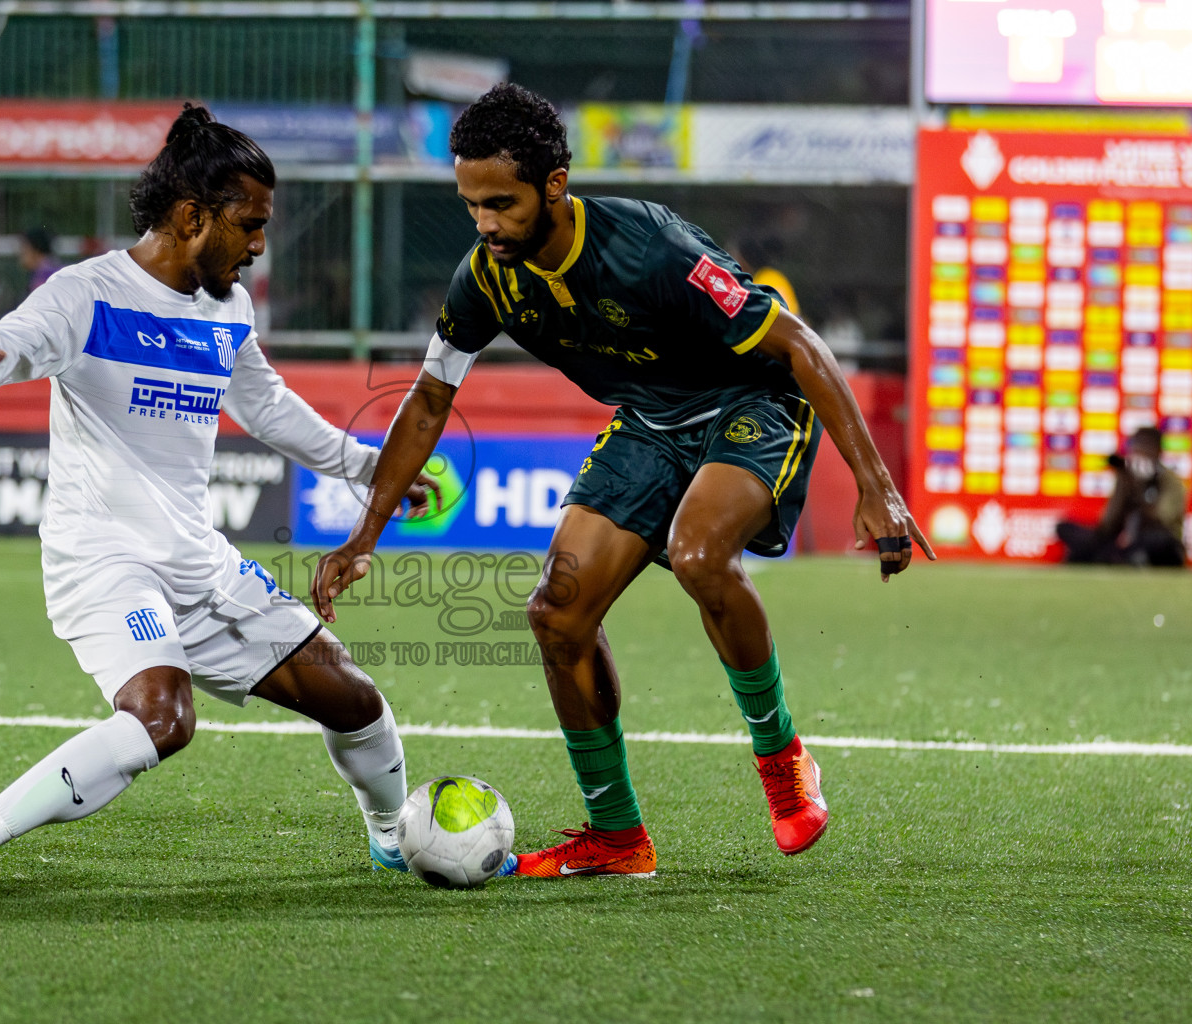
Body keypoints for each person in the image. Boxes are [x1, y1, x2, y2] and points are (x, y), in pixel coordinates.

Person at [312, 84, 931, 878]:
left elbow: (800, 344)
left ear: (555, 186)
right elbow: (430, 400)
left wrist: (876, 485)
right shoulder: (488, 278)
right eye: (471, 205)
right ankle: (616, 837)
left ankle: (783, 760)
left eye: (501, 203)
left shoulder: (649, 245)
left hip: (751, 401)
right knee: (556, 614)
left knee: (702, 556)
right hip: (649, 420)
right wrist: (366, 533)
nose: (486, 224)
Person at [0, 104, 438, 892]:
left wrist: (367, 466)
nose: (258, 245)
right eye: (248, 224)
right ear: (191, 217)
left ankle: (392, 837)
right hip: (104, 561)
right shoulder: (87, 295)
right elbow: (8, 347)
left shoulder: (228, 309)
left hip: (198, 562)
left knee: (352, 699)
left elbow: (268, 406)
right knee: (162, 718)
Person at [1057, 427, 1187, 568]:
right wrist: (1127, 482)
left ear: (1157, 452)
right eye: (1137, 448)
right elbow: (1108, 522)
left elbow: (1163, 519)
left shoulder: (1170, 481)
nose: (1140, 454)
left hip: (1155, 540)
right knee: (1067, 530)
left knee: (1159, 543)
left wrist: (1143, 488)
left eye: (1145, 448)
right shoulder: (1126, 476)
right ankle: (1117, 557)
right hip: (1121, 540)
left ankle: (1125, 558)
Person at [19, 226, 64, 293]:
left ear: (35, 249)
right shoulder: (56, 270)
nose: (20, 252)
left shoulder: (43, 278)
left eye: (24, 247)